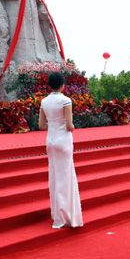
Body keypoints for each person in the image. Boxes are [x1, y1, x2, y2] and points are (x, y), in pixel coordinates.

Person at [39, 72, 83, 229]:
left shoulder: (44, 101)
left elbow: (41, 125)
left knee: (55, 176)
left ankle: (57, 214)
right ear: (62, 85)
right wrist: (72, 126)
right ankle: (67, 215)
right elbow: (69, 125)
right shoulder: (65, 100)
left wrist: (53, 124)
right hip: (63, 140)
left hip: (50, 140)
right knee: (66, 177)